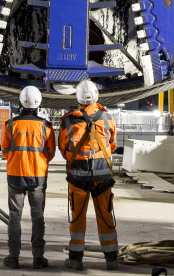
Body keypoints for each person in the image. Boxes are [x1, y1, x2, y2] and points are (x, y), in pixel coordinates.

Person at [59, 80, 119, 270]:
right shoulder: (108, 118)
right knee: (105, 215)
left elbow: (63, 148)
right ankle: (111, 260)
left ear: (77, 97)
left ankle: (76, 260)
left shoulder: (68, 120)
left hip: (77, 176)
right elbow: (113, 145)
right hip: (102, 175)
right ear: (96, 95)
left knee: (78, 217)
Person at [3, 86, 56, 269]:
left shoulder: (10, 125)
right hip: (37, 178)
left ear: (20, 102)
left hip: (15, 177)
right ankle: (38, 258)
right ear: (39, 103)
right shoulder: (46, 127)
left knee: (14, 217)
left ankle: (13, 257)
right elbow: (50, 153)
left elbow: (5, 152)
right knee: (37, 217)